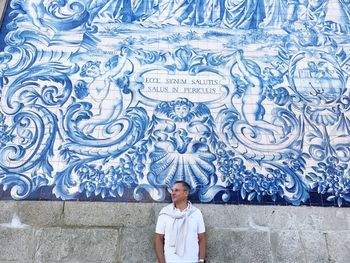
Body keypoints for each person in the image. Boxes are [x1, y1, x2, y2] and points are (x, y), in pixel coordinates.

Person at [155, 181, 206, 263]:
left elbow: (202, 238)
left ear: (186, 193)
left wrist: (201, 260)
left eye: (176, 190)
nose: (172, 193)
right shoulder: (165, 212)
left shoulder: (196, 213)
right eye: (172, 190)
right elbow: (158, 238)